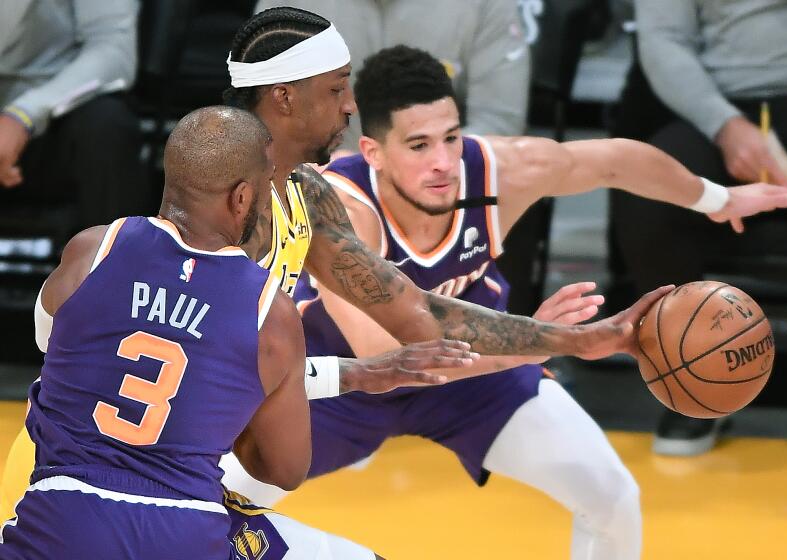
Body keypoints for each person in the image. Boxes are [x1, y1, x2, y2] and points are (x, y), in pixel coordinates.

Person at [0, 6, 673, 520]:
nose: (352, 108)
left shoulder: (306, 196)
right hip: (108, 479)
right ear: (285, 98)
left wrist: (582, 338)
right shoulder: (229, 209)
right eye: (337, 90)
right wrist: (356, 377)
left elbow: (417, 313)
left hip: (165, 460)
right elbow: (242, 375)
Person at [280, 45, 787, 560]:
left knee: (612, 497)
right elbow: (385, 354)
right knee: (212, 495)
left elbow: (617, 160)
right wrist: (532, 345)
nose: (443, 163)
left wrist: (717, 199)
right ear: (373, 152)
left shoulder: (501, 170)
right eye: (418, 146)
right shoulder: (340, 208)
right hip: (344, 382)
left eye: (451, 138)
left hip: (478, 376)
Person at [0, 106, 390, 559]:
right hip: (183, 530)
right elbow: (284, 470)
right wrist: (226, 406)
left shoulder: (92, 250)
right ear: (242, 197)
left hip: (61, 518)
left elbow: (49, 342)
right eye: (268, 187)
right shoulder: (270, 311)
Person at [611, 0, 787, 458]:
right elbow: (663, 41)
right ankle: (694, 372)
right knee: (647, 192)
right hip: (720, 104)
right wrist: (725, 125)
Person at [254, 0, 531, 153]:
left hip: (444, 189)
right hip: (316, 193)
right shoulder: (283, 5)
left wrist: (417, 164)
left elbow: (499, 123)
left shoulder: (486, 5)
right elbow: (262, 122)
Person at [0, 0, 150, 231]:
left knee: (106, 124)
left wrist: (24, 114)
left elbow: (113, 51)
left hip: (50, 116)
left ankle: (114, 262)